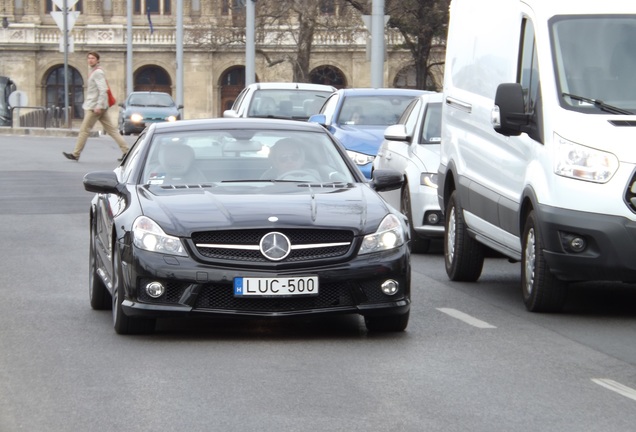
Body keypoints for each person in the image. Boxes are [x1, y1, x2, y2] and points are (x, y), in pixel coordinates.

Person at [63, 51, 129, 162]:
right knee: (112, 130)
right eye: (88, 58)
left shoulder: (98, 72)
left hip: (95, 107)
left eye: (92, 58)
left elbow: (103, 90)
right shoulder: (94, 71)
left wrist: (98, 106)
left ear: (97, 60)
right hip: (99, 106)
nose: (90, 60)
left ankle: (76, 154)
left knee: (84, 130)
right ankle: (127, 151)